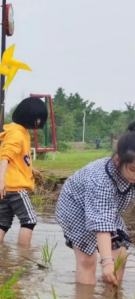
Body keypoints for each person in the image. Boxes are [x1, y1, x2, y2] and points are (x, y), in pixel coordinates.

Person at [56, 121, 135, 286]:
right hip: (75, 206)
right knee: (87, 260)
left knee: (120, 256)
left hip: (107, 210)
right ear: (117, 160)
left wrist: (110, 262)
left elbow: (106, 216)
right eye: (133, 170)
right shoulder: (101, 179)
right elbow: (102, 224)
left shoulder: (129, 174)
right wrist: (106, 262)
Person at [0, 97, 49, 246]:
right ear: (31, 117)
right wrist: (1, 182)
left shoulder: (17, 132)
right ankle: (24, 256)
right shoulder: (17, 134)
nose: (39, 122)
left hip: (4, 187)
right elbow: (5, 158)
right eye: (38, 118)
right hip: (14, 187)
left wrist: (30, 169)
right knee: (29, 221)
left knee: (3, 222)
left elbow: (17, 159)